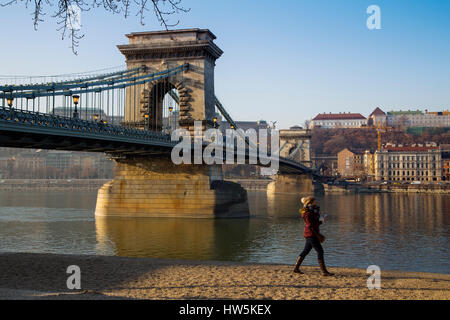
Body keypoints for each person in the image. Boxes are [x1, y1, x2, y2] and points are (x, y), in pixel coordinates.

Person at [293, 196, 334, 276]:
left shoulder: (311, 211)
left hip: (310, 233)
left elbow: (313, 223)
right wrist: (318, 233)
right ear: (310, 203)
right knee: (320, 251)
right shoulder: (307, 213)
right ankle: (324, 271)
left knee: (306, 251)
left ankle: (296, 268)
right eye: (315, 201)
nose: (316, 202)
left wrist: (321, 220)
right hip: (311, 234)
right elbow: (310, 225)